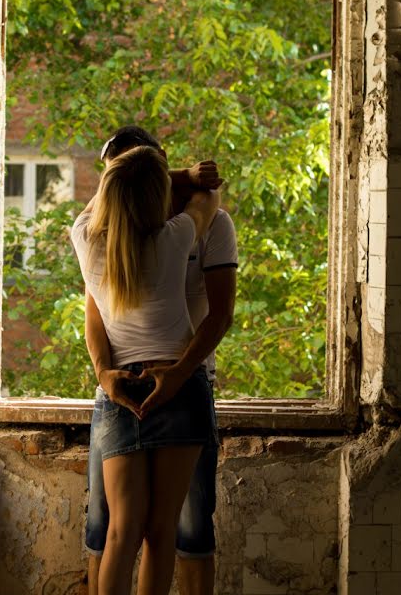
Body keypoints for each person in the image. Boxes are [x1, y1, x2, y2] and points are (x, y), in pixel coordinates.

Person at [82, 127, 238, 595]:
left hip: (153, 381)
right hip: (168, 386)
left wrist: (118, 377)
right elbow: (206, 197)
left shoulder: (89, 238)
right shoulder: (177, 235)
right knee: (161, 531)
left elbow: (221, 315)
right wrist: (189, 175)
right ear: (160, 183)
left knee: (122, 532)